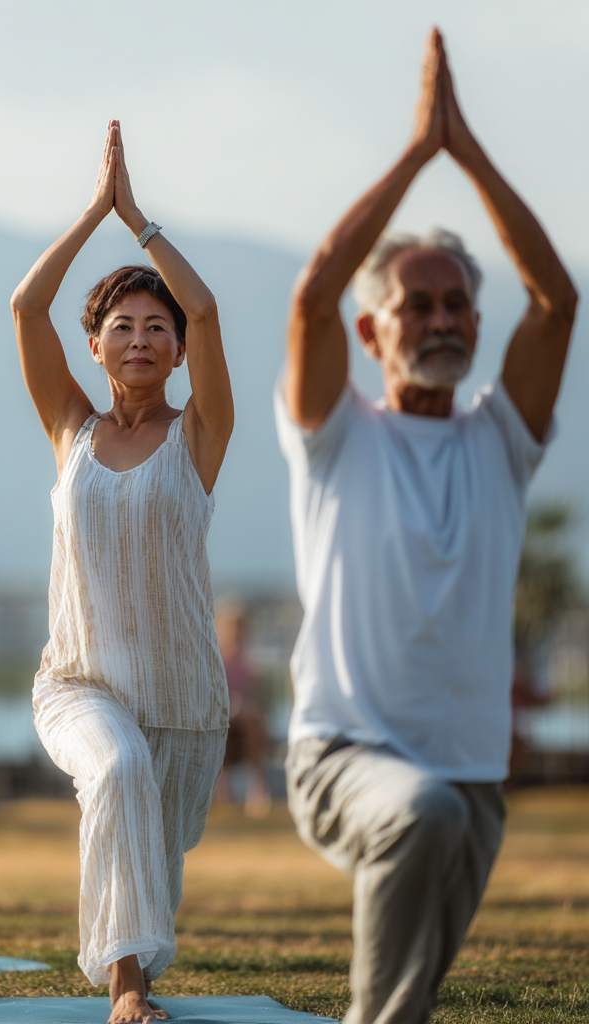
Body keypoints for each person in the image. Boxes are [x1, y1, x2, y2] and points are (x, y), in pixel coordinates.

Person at [277, 30, 577, 1024]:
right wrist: (416, 152)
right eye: (417, 305)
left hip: (470, 772)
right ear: (374, 333)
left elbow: (555, 297)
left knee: (415, 980)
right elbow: (314, 291)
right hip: (344, 757)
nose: (442, 320)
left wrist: (469, 151)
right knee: (416, 833)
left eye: (457, 306)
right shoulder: (333, 438)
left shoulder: (501, 438)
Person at [11, 121, 234, 1024]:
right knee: (116, 773)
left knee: (154, 841)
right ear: (95, 346)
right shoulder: (71, 431)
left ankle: (139, 959)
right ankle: (126, 988)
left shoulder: (200, 437)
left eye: (156, 329)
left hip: (182, 693)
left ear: (178, 351)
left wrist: (139, 221)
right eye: (120, 326)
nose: (139, 338)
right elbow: (27, 311)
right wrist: (92, 212)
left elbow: (210, 309)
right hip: (80, 681)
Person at [214, 600, 270, 817]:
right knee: (226, 725)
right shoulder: (217, 661)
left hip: (246, 723)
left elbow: (258, 698)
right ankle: (226, 791)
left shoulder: (250, 664)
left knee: (252, 721)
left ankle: (256, 788)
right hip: (225, 722)